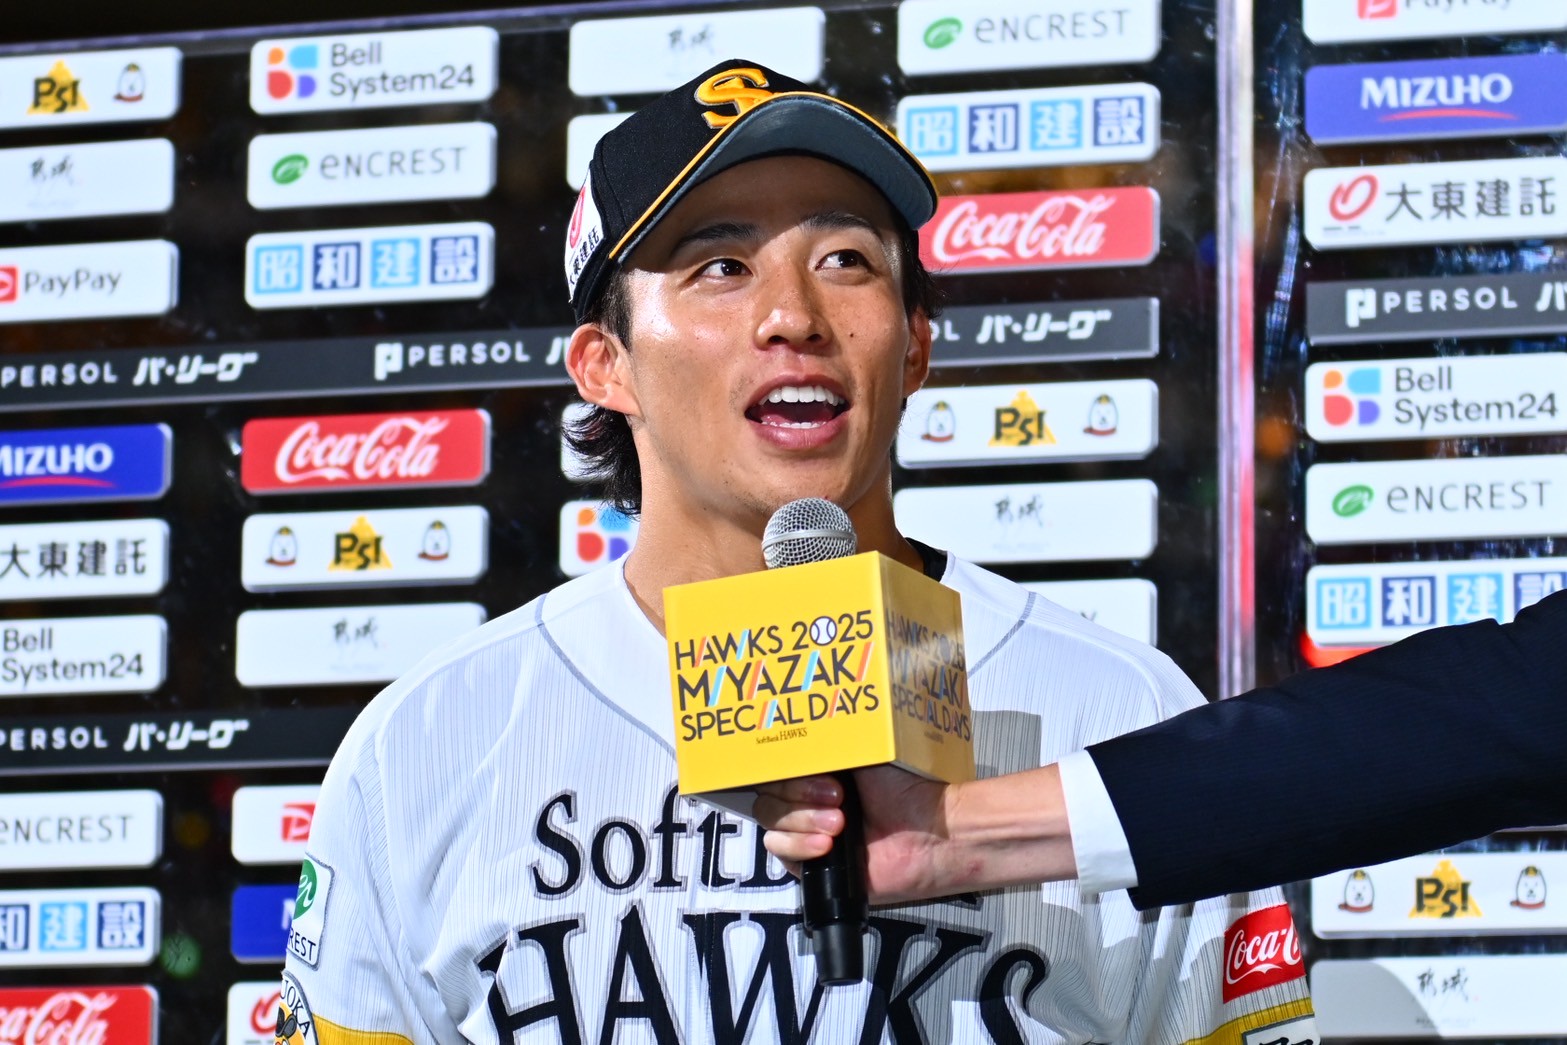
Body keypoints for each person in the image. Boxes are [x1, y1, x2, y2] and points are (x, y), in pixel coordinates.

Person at [274, 60, 1318, 1044]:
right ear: (605, 365)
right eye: (721, 267)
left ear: (915, 345)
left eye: (845, 261)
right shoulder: (428, 738)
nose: (792, 316)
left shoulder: (1119, 709)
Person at [756, 586, 1567, 910]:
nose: (788, 320)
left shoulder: (1123, 686)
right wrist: (945, 833)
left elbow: (1507, 706)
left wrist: (951, 831)